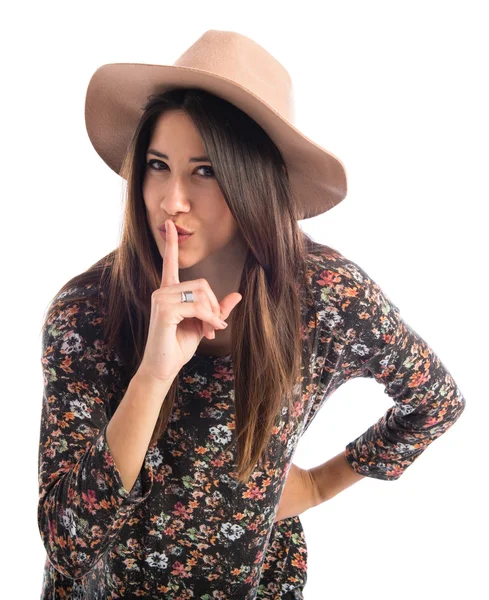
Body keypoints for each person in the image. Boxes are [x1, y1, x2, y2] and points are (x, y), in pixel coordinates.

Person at [36, 30, 466, 599]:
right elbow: (67, 544)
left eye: (206, 171)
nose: (171, 201)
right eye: (158, 166)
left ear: (253, 178)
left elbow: (435, 401)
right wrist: (153, 375)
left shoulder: (326, 296)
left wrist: (315, 486)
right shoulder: (86, 310)